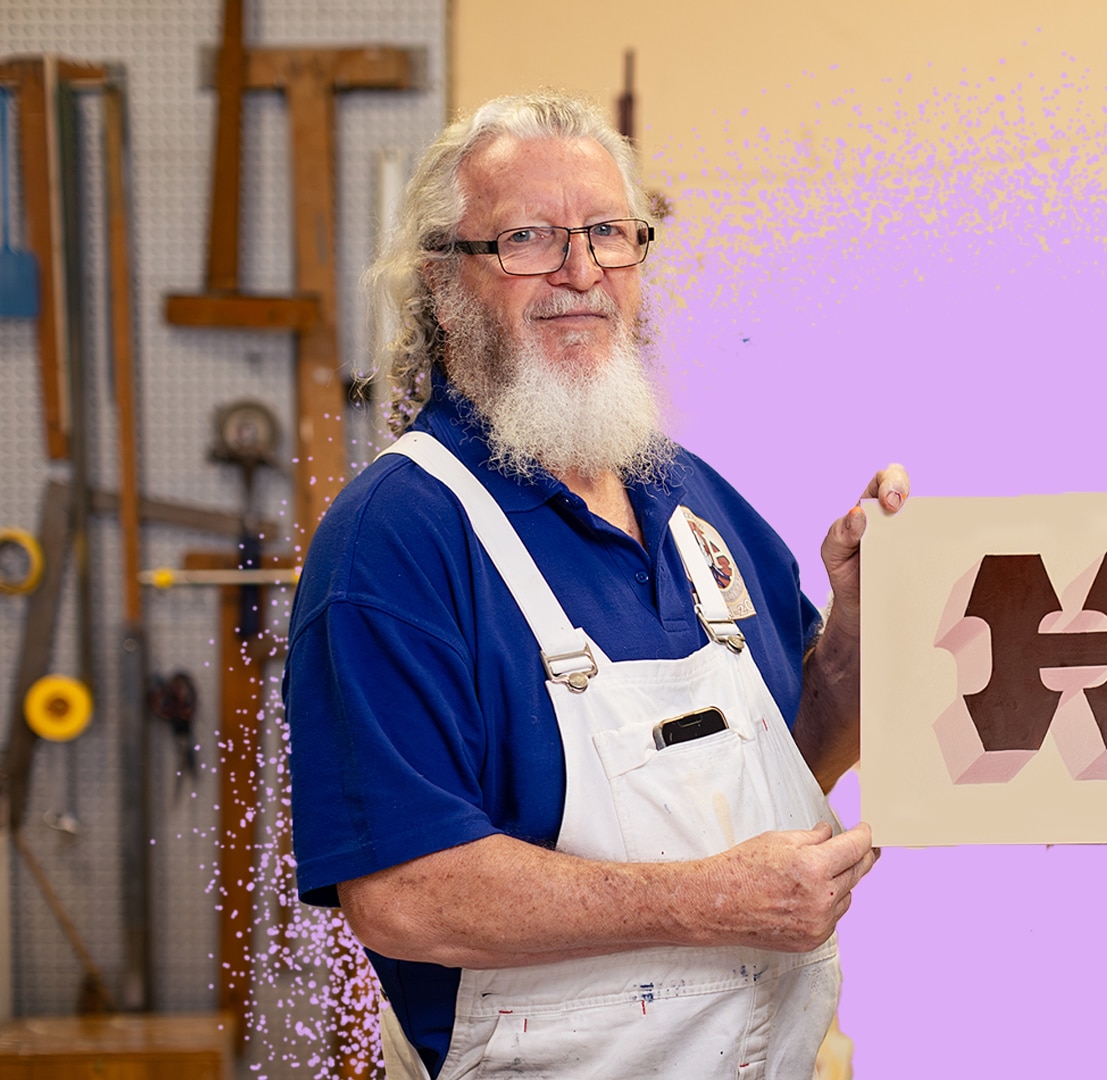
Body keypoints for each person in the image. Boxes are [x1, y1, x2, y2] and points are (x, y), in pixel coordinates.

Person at [283, 92, 905, 1080]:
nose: (581, 273)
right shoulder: (397, 540)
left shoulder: (693, 499)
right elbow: (402, 895)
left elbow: (803, 756)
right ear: (445, 281)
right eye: (528, 239)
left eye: (609, 234)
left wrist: (867, 629)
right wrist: (714, 903)